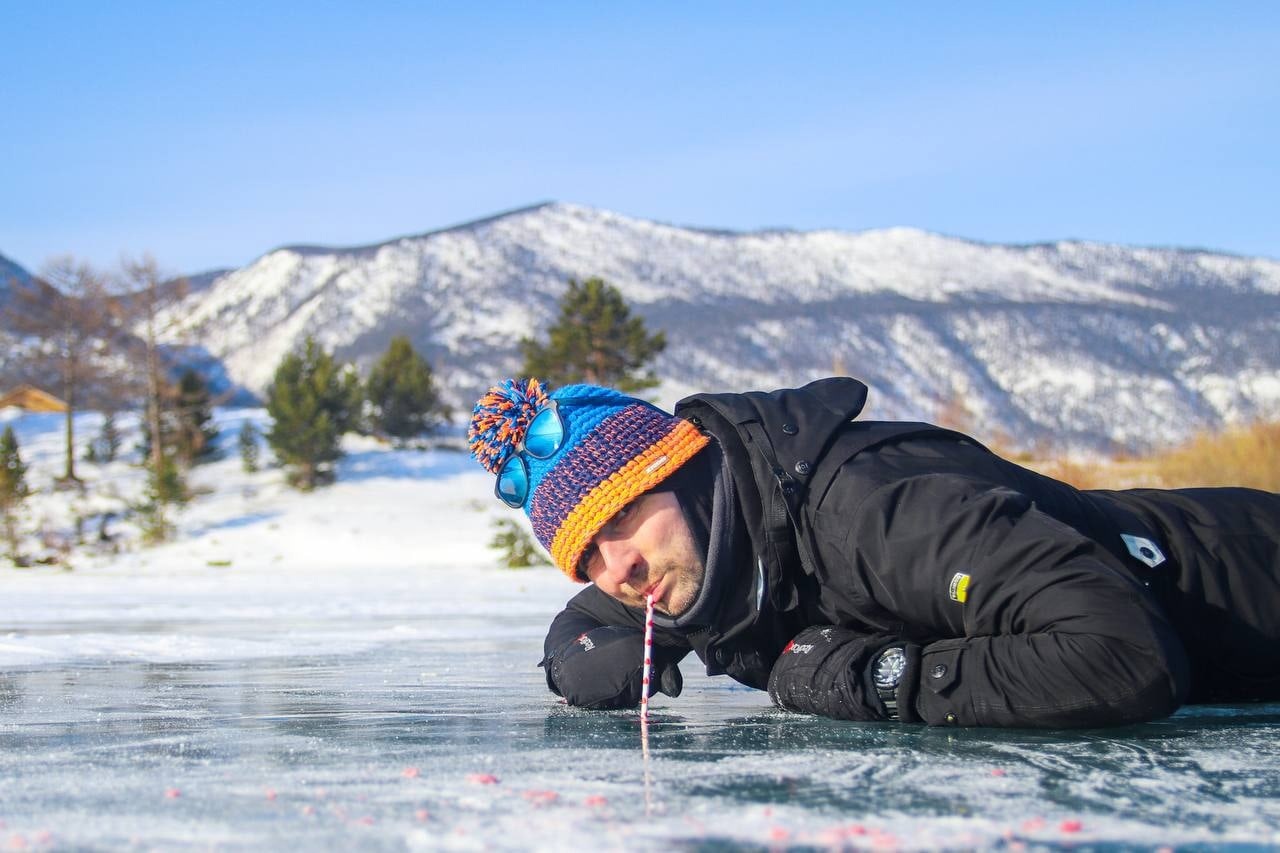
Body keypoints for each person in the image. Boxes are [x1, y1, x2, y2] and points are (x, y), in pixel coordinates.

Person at [467, 376, 1280, 728]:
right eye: (583, 556)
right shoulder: (686, 559)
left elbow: (1124, 655)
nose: (615, 570)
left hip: (1247, 580)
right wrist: (580, 665)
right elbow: (577, 625)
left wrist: (865, 677)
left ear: (686, 476)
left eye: (619, 521)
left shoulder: (873, 511)